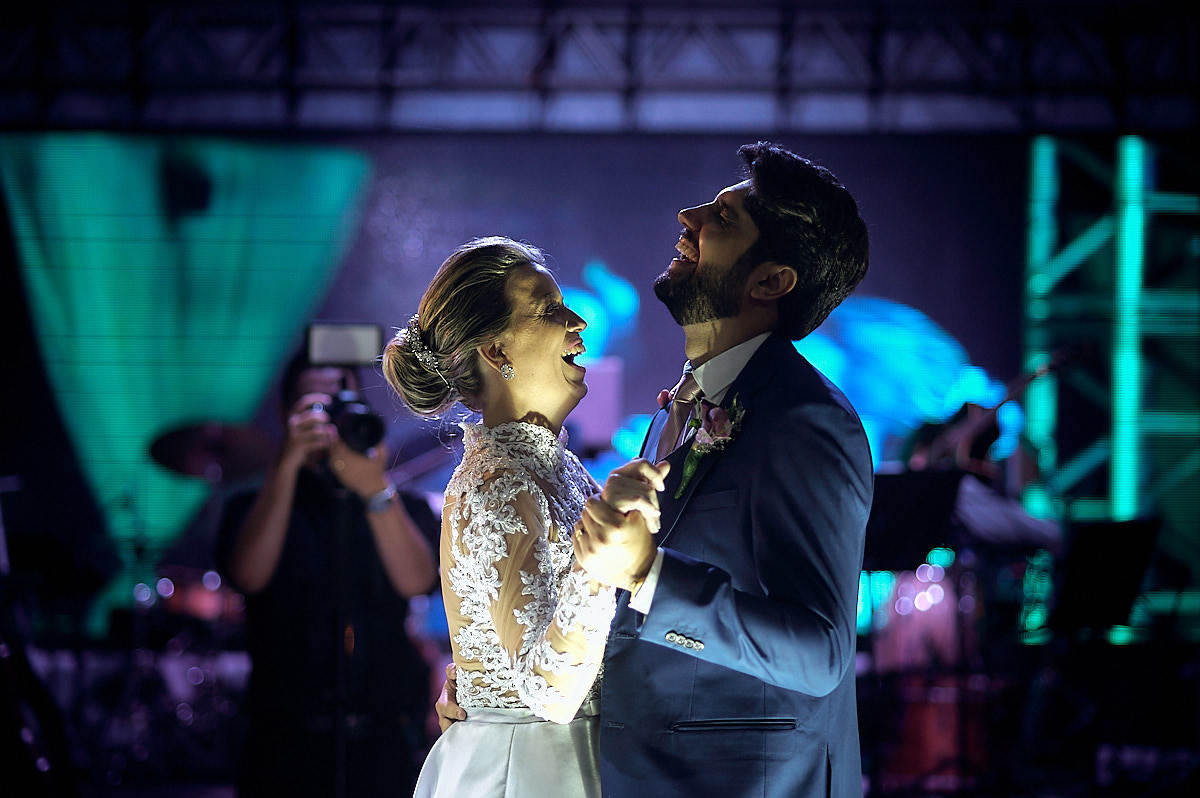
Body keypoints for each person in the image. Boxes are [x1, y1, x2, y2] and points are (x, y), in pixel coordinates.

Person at [440, 142, 874, 797]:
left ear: (770, 281)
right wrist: (494, 684)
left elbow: (821, 655)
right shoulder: (685, 405)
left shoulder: (805, 421)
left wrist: (648, 575)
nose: (687, 215)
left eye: (723, 219)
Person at [383, 237, 660, 798]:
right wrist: (602, 547)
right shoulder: (498, 483)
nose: (578, 321)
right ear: (495, 351)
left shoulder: (546, 464)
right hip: (534, 769)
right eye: (550, 309)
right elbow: (550, 692)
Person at [216, 354, 438, 798]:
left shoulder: (400, 504)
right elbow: (249, 576)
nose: (327, 418)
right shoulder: (252, 507)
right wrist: (286, 465)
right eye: (312, 405)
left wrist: (373, 487)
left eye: (339, 402)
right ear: (286, 414)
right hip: (283, 742)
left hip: (385, 739)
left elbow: (418, 582)